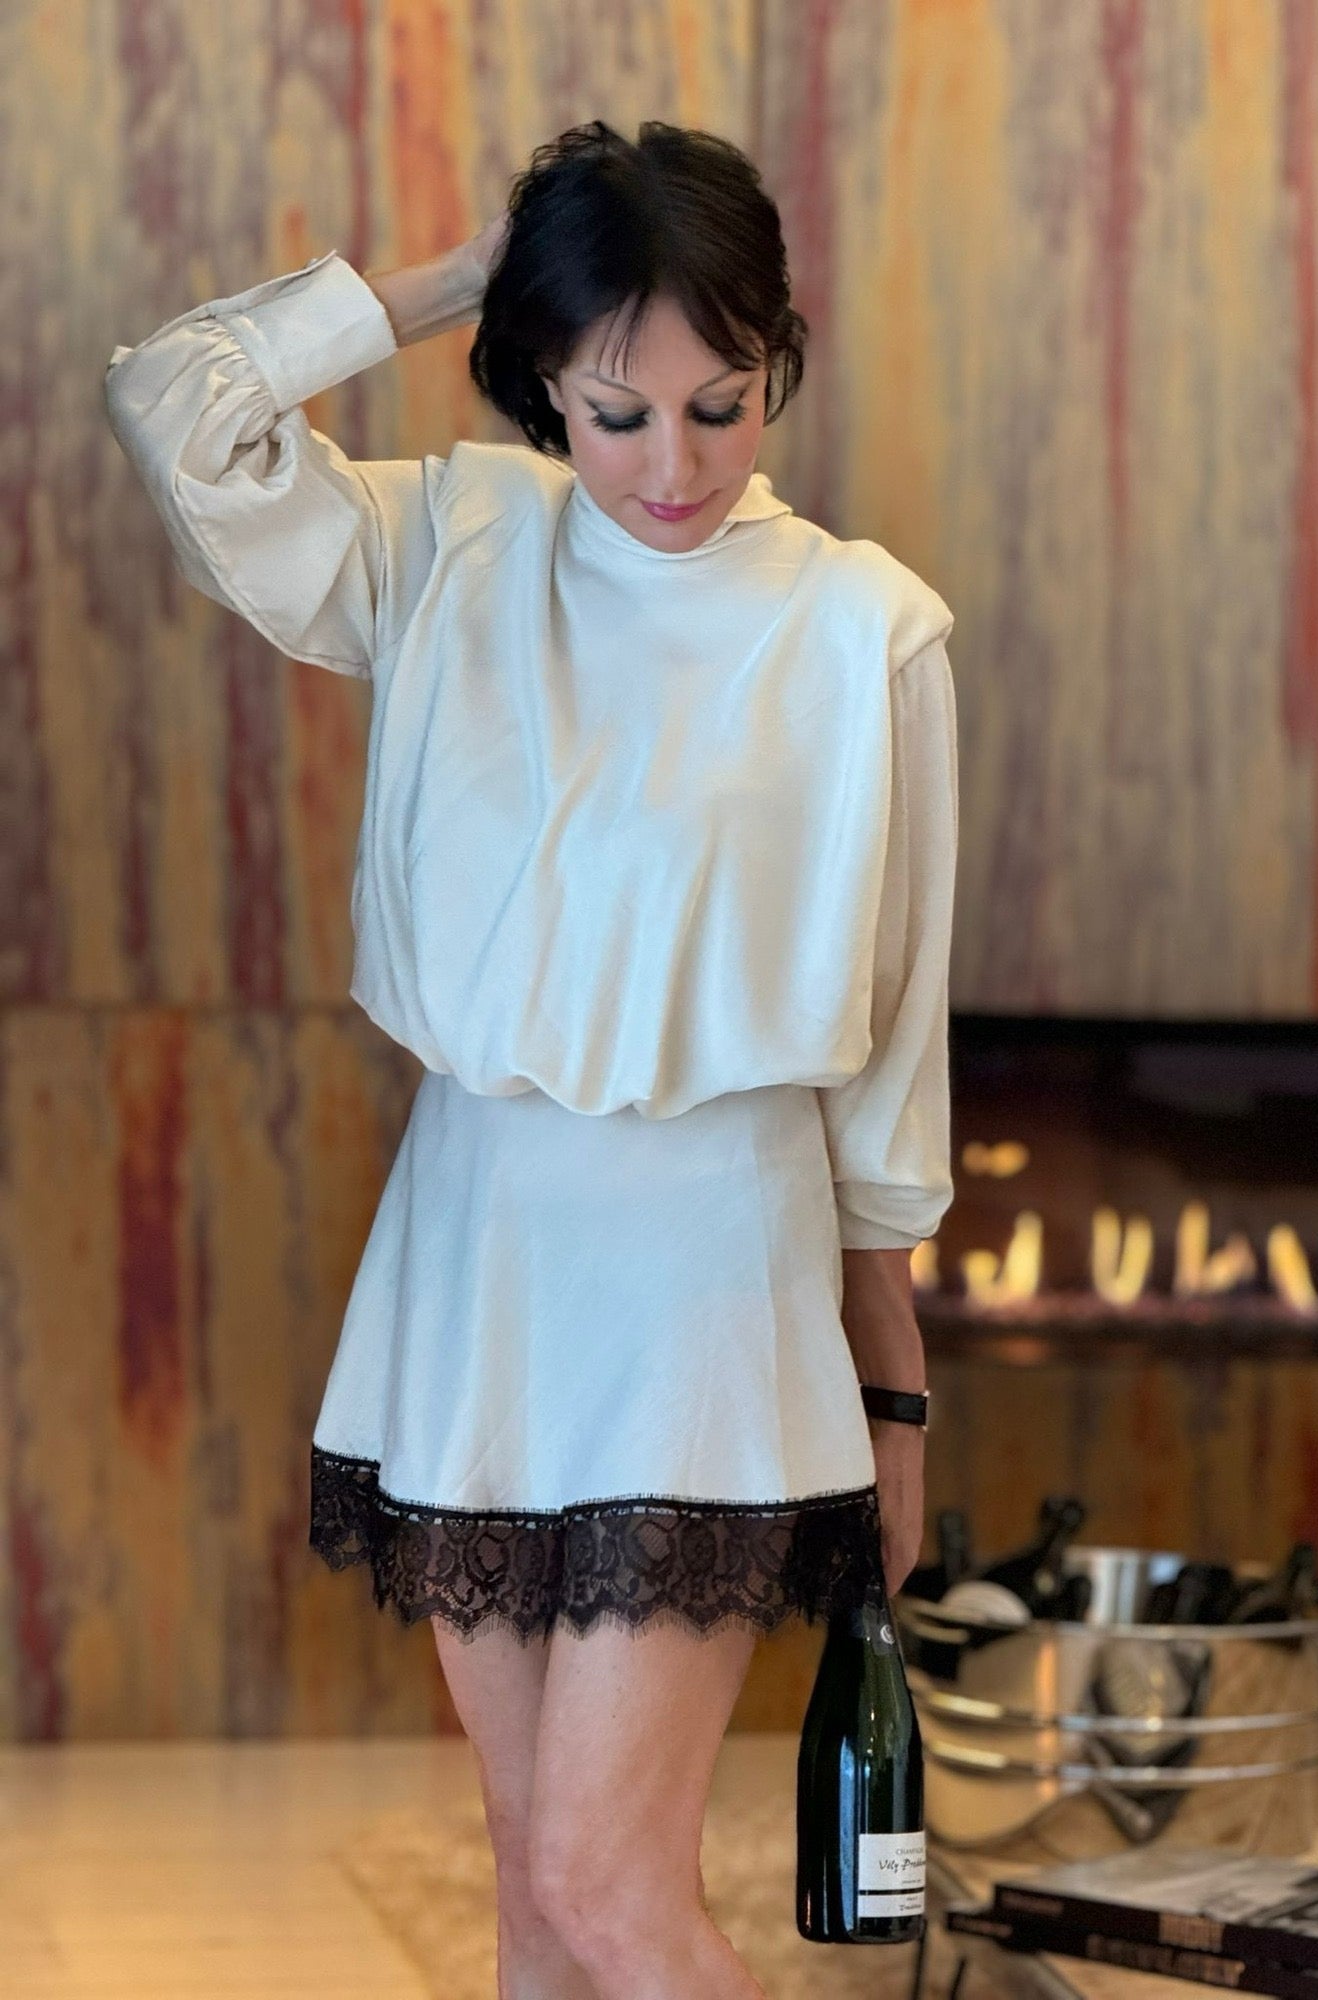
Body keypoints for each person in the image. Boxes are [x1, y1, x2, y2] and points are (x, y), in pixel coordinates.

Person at [104, 118, 958, 2000]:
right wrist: (450, 284)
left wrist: (890, 1388)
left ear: (777, 361)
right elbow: (178, 408)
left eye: (723, 405)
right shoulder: (446, 544)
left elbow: (893, 1027)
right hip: (480, 1240)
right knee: (533, 1888)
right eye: (615, 411)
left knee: (604, 1880)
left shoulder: (862, 629)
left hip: (711, 1262)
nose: (676, 466)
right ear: (541, 384)